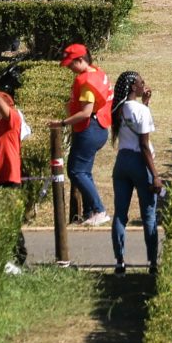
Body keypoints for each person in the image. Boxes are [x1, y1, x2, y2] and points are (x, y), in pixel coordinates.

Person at [109, 70, 158, 272]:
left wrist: (145, 103)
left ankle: (120, 262)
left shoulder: (118, 108)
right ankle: (153, 263)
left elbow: (131, 126)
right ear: (132, 87)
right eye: (141, 82)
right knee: (149, 215)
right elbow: (144, 145)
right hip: (140, 162)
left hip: (122, 162)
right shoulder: (142, 111)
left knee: (120, 214)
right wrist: (155, 175)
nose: (144, 84)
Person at [61, 44, 113, 228]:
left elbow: (85, 112)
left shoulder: (87, 82)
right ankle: (90, 212)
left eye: (71, 64)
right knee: (84, 172)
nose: (69, 68)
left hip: (89, 129)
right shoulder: (97, 73)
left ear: (81, 60)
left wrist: (62, 123)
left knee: (76, 171)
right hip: (99, 127)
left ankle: (99, 210)